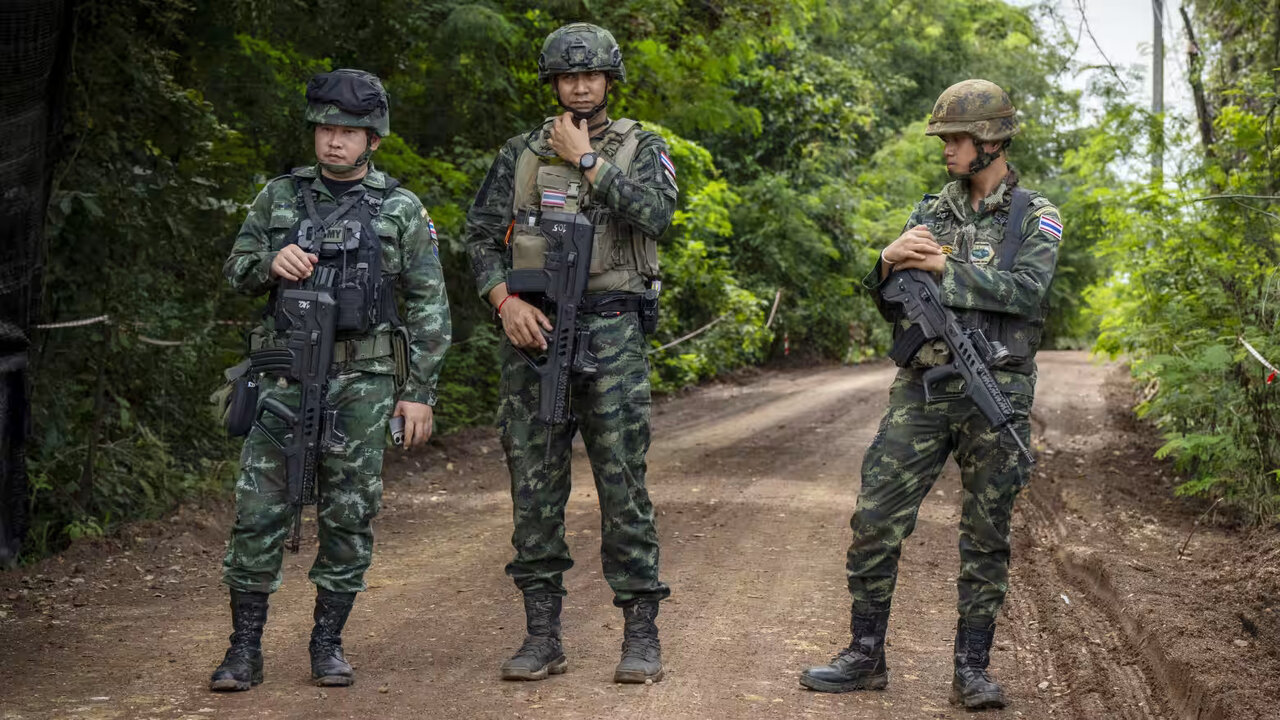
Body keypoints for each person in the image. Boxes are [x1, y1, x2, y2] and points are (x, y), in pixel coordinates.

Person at [798, 79, 1062, 711]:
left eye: (957, 137)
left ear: (991, 141)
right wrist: (886, 264)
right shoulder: (930, 211)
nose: (947, 148)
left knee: (986, 530)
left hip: (997, 389)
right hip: (922, 387)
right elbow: (892, 303)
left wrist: (946, 270)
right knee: (875, 516)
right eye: (944, 138)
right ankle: (865, 654)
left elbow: (1028, 292)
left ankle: (971, 668)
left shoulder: (1035, 213)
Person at [212, 69, 451, 691]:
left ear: (374, 138)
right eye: (325, 129)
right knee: (258, 508)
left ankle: (327, 644)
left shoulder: (400, 207)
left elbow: (430, 307)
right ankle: (243, 650)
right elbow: (235, 270)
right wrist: (270, 263)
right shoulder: (278, 197)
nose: (334, 141)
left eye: (348, 131)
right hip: (284, 374)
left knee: (350, 511)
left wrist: (417, 393)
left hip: (364, 381)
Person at [464, 22, 677, 684]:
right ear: (552, 83)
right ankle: (542, 637)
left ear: (610, 80)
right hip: (535, 332)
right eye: (567, 75)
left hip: (612, 330)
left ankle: (640, 636)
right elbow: (477, 239)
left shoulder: (641, 147)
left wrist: (589, 161)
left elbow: (659, 215)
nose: (580, 84)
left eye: (591, 74)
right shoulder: (519, 153)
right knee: (534, 490)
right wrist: (506, 303)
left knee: (622, 486)